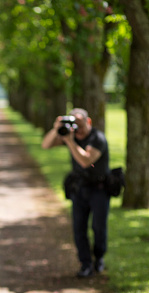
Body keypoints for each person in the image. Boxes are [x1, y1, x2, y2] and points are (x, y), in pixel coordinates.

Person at [41, 108, 110, 278]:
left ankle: (99, 257)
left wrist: (70, 141)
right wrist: (56, 128)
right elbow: (46, 144)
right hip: (79, 189)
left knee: (98, 227)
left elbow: (86, 161)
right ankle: (85, 264)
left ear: (89, 122)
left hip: (100, 189)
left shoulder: (97, 138)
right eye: (73, 124)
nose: (77, 128)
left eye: (79, 123)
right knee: (79, 229)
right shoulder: (69, 134)